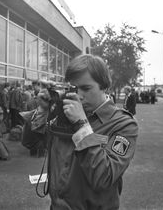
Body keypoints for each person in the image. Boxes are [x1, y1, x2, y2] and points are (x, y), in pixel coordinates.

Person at [37, 54, 138, 209]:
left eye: (86, 88)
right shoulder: (64, 113)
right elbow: (30, 142)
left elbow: (104, 178)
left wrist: (82, 125)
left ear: (105, 87)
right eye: (73, 88)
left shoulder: (124, 124)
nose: (78, 95)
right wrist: (43, 110)